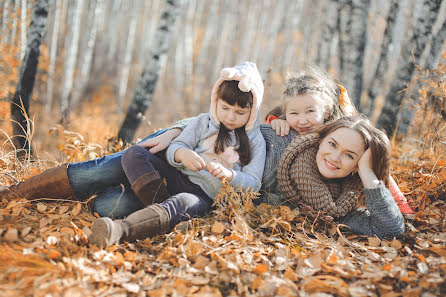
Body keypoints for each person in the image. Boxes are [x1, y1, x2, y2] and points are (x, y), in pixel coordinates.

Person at [87, 61, 266, 247]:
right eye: (225, 108)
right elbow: (177, 145)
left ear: (252, 112)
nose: (230, 117)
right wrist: (182, 154)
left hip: (205, 196)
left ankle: (118, 230)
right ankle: (163, 214)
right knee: (134, 154)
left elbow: (254, 183)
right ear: (216, 101)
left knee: (180, 203)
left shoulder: (256, 142)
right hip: (175, 179)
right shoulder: (202, 122)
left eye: (239, 112)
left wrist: (230, 175)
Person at [276, 116, 404, 238]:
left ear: (356, 166)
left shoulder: (344, 205)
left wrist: (367, 171)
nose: (335, 158)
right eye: (332, 144)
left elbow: (391, 230)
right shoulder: (282, 148)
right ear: (321, 140)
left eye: (349, 155)